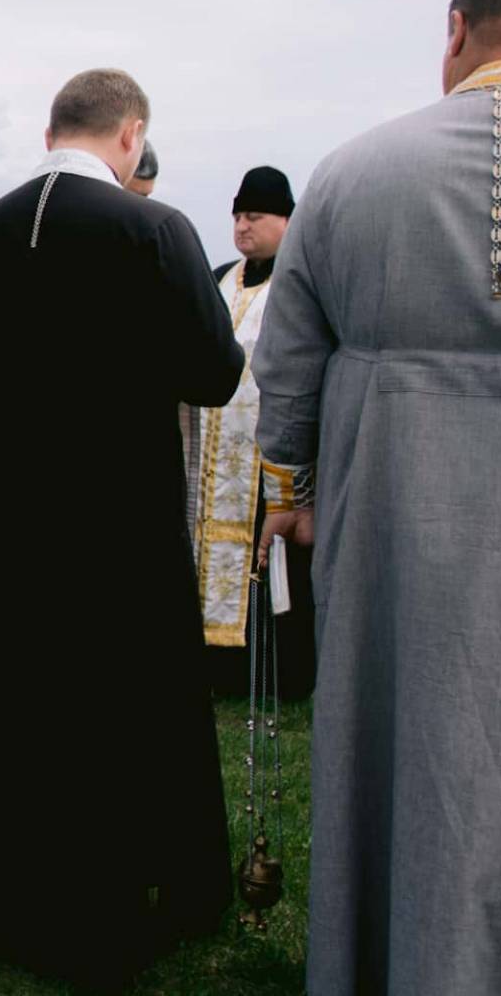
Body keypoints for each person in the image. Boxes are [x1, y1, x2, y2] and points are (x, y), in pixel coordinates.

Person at [0, 68, 243, 986]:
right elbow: (215, 372)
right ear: (130, 135)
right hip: (120, 506)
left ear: (53, 130)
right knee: (122, 694)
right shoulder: (154, 229)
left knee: (11, 689)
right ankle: (127, 892)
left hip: (17, 502)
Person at [254, 0, 501, 995]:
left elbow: (286, 366)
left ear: (456, 30)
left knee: (404, 737)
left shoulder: (357, 169)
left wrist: (301, 492)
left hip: (397, 493)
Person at [185, 165, 314, 698]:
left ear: (286, 220)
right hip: (215, 454)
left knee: (272, 556)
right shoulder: (220, 277)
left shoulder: (300, 282)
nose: (243, 226)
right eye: (238, 216)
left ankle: (279, 671)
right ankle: (212, 664)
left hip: (271, 456)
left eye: (255, 217)